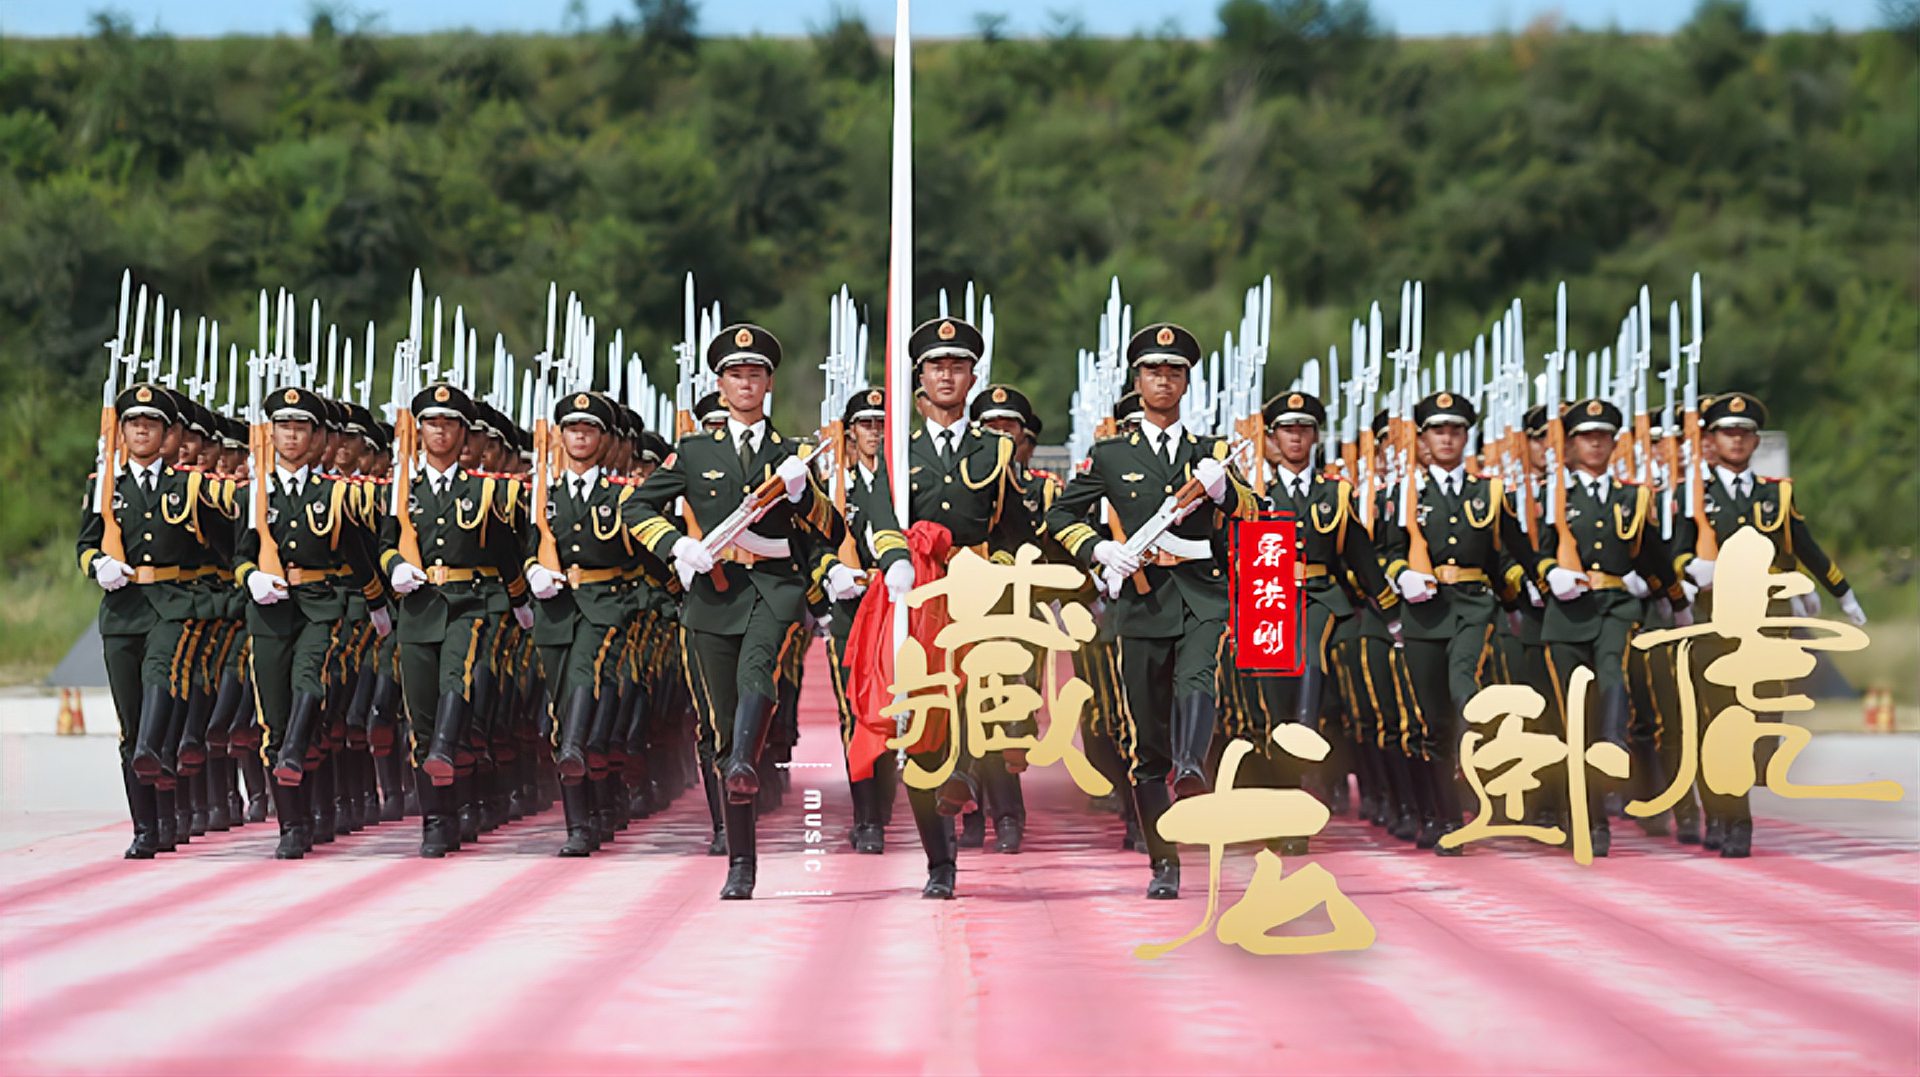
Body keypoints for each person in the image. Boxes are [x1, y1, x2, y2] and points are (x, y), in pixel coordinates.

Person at [623, 324, 846, 900]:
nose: (745, 383)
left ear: (769, 383)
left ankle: (747, 761)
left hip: (772, 587)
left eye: (755, 374)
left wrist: (803, 494)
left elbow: (830, 531)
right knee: (718, 727)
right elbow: (637, 505)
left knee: (759, 673)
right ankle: (741, 861)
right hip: (712, 593)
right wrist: (677, 544)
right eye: (735, 375)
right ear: (720, 385)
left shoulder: (791, 455)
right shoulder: (695, 451)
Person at [1046, 322, 1259, 899]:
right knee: (1145, 741)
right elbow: (1061, 516)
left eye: (1174, 372)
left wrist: (1223, 492)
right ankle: (1164, 862)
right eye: (1153, 371)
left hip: (1200, 592)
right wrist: (1098, 548)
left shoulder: (1209, 452)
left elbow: (1260, 514)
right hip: (1141, 601)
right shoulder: (1111, 453)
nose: (1163, 380)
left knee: (1199, 675)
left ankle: (1192, 765)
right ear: (1137, 382)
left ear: (1187, 382)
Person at [1668, 391, 1863, 857]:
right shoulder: (1692, 494)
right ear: (1710, 440)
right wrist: (1690, 568)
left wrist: (1842, 591)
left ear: (1755, 441)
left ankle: (1733, 796)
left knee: (1764, 719)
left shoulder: (1776, 493)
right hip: (1716, 614)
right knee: (1721, 718)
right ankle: (1730, 817)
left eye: (1744, 433)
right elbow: (1671, 549)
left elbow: (1806, 545)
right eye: (1727, 433)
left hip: (1769, 615)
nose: (1736, 440)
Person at [378, 382, 534, 858]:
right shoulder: (401, 489)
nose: (439, 430)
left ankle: (446, 752)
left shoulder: (487, 490)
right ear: (419, 429)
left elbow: (509, 550)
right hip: (419, 606)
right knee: (420, 715)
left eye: (449, 423)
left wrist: (520, 599)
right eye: (431, 422)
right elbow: (384, 543)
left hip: (471, 603)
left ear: (464, 434)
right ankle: (438, 817)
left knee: (457, 680)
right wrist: (394, 568)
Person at [79, 384, 225, 858]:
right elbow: (85, 543)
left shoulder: (189, 486)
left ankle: (166, 799)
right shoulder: (103, 486)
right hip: (122, 611)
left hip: (172, 604)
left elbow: (223, 544)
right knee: (131, 724)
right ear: (121, 431)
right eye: (133, 422)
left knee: (160, 683)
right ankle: (148, 827)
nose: (141, 429)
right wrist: (98, 565)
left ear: (165, 433)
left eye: (151, 423)